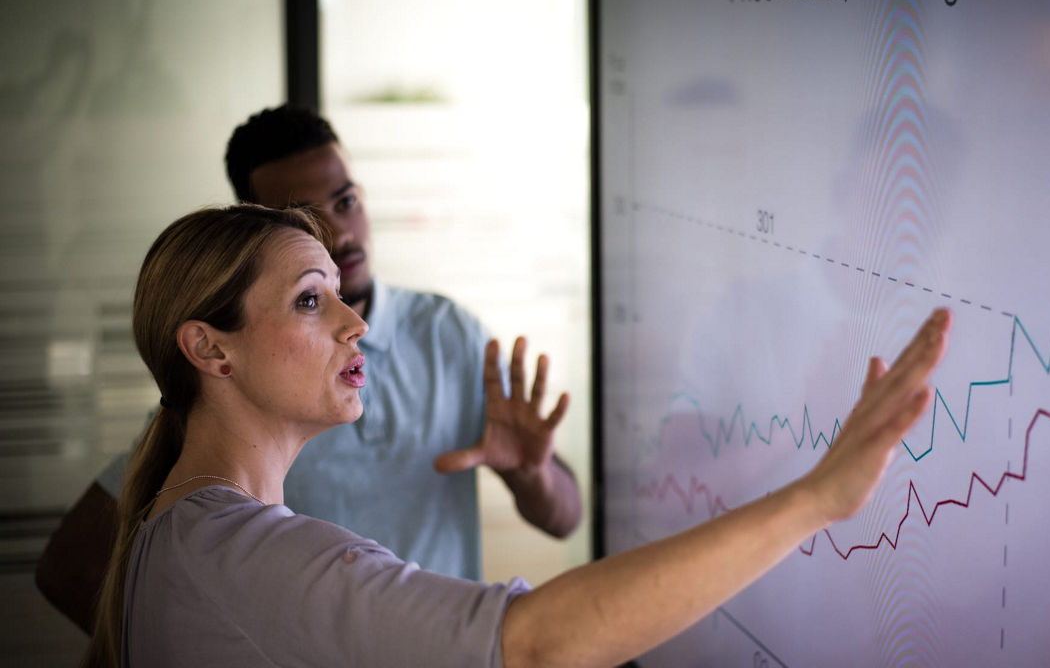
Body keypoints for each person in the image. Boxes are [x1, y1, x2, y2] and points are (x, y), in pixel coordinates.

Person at [84, 203, 952, 667]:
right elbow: (536, 644)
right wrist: (814, 499)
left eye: (340, 293)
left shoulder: (182, 526)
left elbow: (561, 515)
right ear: (210, 349)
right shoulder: (243, 555)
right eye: (311, 300)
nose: (355, 323)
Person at [36, 105, 582, 632]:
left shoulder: (449, 334)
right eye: (306, 299)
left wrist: (530, 475)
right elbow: (71, 568)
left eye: (346, 202)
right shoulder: (220, 433)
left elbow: (564, 519)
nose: (341, 235)